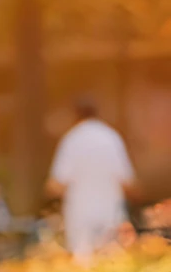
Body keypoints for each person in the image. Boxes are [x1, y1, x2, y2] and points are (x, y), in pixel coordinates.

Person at [47, 99, 137, 261]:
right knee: (112, 261)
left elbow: (56, 184)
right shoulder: (111, 136)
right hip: (110, 210)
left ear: (75, 115)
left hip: (80, 212)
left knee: (84, 262)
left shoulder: (71, 139)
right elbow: (127, 181)